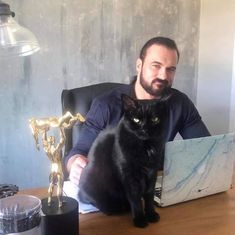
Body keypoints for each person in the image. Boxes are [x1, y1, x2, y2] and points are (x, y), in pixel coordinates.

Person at [65, 36, 210, 186]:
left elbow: (206, 147)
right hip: (114, 189)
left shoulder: (180, 103)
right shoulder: (106, 105)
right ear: (139, 65)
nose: (163, 75)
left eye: (170, 69)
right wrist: (75, 164)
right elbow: (76, 153)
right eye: (156, 66)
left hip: (156, 187)